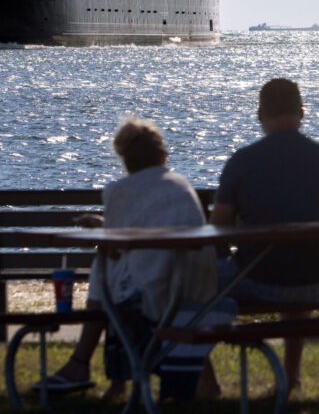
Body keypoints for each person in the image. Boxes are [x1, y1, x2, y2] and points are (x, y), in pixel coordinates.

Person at [36, 117, 216, 398]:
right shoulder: (181, 187)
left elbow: (115, 249)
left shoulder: (119, 192)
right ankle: (204, 379)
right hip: (201, 292)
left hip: (154, 299)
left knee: (104, 270)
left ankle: (84, 364)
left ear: (125, 161)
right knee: (123, 273)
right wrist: (106, 227)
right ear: (162, 156)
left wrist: (102, 229)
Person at [202, 78, 319, 390]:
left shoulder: (243, 161)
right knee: (297, 264)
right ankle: (291, 376)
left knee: (186, 277)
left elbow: (216, 231)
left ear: (259, 115)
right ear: (302, 113)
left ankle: (205, 378)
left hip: (262, 281)